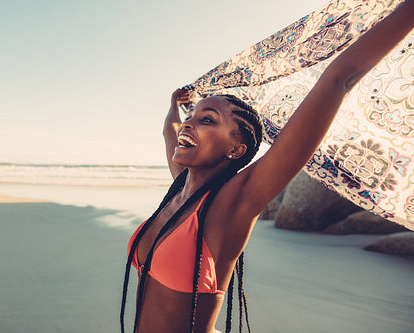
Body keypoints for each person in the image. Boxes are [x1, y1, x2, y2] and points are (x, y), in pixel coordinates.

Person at [121, 1, 414, 332]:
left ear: (236, 148)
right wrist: (175, 105)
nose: (189, 125)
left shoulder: (232, 203)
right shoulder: (182, 189)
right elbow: (170, 132)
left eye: (207, 120)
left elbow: (338, 79)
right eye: (191, 118)